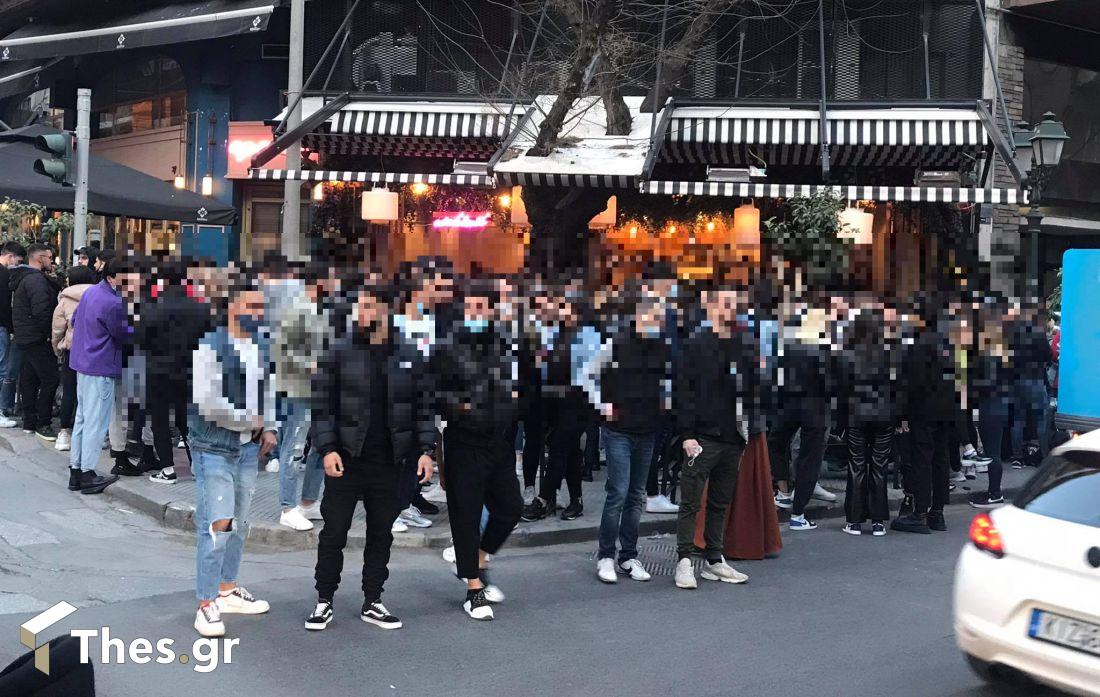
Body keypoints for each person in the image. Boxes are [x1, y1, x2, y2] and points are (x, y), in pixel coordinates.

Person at [306, 285, 435, 631]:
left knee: (381, 533)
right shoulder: (338, 350)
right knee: (334, 532)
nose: (361, 313)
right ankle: (324, 600)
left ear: (386, 310)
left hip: (390, 462)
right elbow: (321, 406)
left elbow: (423, 407)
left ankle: (373, 600)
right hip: (346, 459)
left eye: (368, 306)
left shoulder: (409, 353)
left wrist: (426, 450)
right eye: (359, 307)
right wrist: (327, 449)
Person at [189, 284, 277, 638]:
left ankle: (226, 589)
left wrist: (269, 426)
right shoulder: (210, 347)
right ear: (231, 307)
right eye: (250, 305)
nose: (257, 313)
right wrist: (250, 422)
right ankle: (206, 602)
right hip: (213, 447)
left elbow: (269, 388)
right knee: (218, 524)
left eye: (260, 306)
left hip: (246, 449)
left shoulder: (260, 346)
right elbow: (208, 404)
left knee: (239, 523)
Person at [435, 279, 523, 619]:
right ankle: (473, 587)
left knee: (511, 507)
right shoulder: (448, 345)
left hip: (498, 440)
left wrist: (512, 403)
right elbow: (434, 391)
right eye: (471, 305)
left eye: (483, 305)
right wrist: (463, 406)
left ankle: (479, 559)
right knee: (466, 516)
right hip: (464, 442)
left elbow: (516, 382)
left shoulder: (503, 343)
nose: (477, 311)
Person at [672, 287, 752, 589]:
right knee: (690, 502)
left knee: (720, 502)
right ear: (711, 306)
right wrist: (686, 435)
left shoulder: (742, 344)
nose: (731, 308)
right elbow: (683, 391)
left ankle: (714, 559)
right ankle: (683, 561)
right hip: (702, 437)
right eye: (725, 303)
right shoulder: (695, 344)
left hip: (733, 437)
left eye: (734, 303)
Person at [586, 290, 668, 583]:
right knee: (619, 493)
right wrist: (602, 406)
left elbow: (667, 383)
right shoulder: (617, 344)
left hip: (647, 430)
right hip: (618, 430)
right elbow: (588, 375)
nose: (655, 319)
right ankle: (606, 555)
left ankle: (629, 556)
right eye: (651, 314)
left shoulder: (661, 348)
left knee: (636, 495)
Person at [139, 260, 213, 484]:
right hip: (190, 370)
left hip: (159, 370)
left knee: (160, 419)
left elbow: (141, 340)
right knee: (187, 419)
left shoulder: (153, 307)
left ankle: (167, 468)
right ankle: (196, 464)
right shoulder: (201, 307)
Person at [767, 296, 833, 531]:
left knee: (776, 444)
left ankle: (784, 491)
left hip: (788, 404)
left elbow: (775, 375)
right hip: (816, 408)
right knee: (809, 460)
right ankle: (798, 513)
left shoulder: (790, 344)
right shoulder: (826, 347)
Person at [66, 258, 131, 494]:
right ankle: (88, 474)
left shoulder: (91, 292)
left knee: (83, 420)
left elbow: (74, 320)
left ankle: (76, 471)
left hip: (83, 362)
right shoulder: (113, 302)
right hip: (100, 365)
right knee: (96, 422)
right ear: (113, 278)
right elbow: (124, 335)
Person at [893, 299, 955, 534]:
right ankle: (937, 512)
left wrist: (901, 415)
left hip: (923, 410)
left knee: (922, 460)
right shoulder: (947, 344)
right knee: (940, 460)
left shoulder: (918, 345)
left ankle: (920, 512)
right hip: (945, 409)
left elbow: (909, 383)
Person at [837, 308, 900, 536]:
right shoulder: (890, 354)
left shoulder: (847, 355)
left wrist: (840, 420)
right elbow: (897, 388)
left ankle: (854, 521)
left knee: (856, 467)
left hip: (856, 416)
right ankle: (878, 521)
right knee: (879, 467)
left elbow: (841, 390)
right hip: (883, 416)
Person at [10, 243, 61, 441]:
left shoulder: (25, 278)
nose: (52, 262)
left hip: (25, 336)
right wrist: (49, 334)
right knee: (50, 378)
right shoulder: (35, 280)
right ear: (40, 259)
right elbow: (42, 311)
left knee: (29, 379)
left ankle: (30, 421)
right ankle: (43, 422)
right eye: (50, 258)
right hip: (36, 337)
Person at [968, 303, 1013, 509]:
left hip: (991, 404)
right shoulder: (1002, 345)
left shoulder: (989, 349)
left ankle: (995, 493)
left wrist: (970, 385)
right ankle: (993, 491)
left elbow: (987, 381)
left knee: (992, 452)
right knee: (992, 451)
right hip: (999, 403)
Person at [50, 265, 98, 452]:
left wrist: (58, 349)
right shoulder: (100, 296)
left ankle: (64, 433)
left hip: (72, 350)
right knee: (92, 393)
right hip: (95, 351)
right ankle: (90, 433)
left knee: (69, 390)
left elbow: (57, 329)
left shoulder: (64, 300)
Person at [0, 241, 26, 428]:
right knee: (2, 369)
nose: (17, 265)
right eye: (18, 261)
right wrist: (11, 328)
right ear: (10, 256)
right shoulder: (3, 274)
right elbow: (4, 306)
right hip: (1, 326)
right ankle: (1, 411)